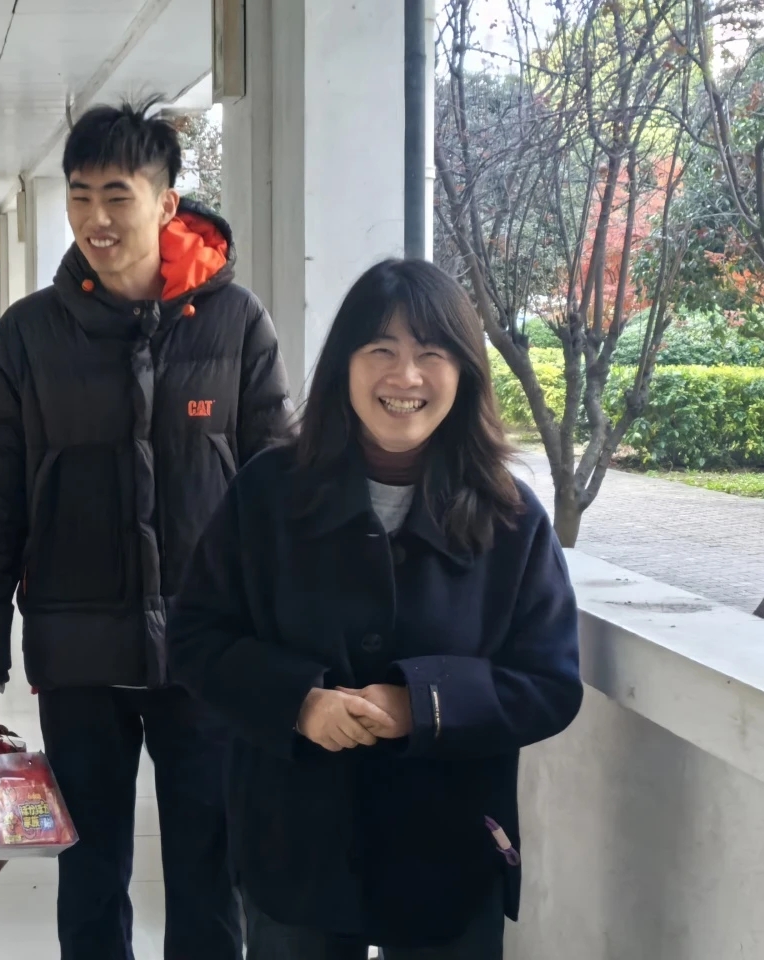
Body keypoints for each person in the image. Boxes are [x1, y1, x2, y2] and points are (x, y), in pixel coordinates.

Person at [0, 99, 293, 959]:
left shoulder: (236, 321)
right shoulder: (28, 335)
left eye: (116, 196)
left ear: (166, 202)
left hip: (210, 649)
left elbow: (279, 490)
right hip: (78, 651)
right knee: (90, 867)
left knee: (211, 864)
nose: (95, 218)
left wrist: (288, 641)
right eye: (79, 196)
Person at [167, 259, 584, 959]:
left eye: (431, 354)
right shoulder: (268, 493)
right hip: (293, 843)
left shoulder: (509, 516)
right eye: (381, 350)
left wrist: (419, 704)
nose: (405, 376)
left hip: (447, 853)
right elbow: (195, 638)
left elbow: (550, 682)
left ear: (465, 371)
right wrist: (299, 702)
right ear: (344, 365)